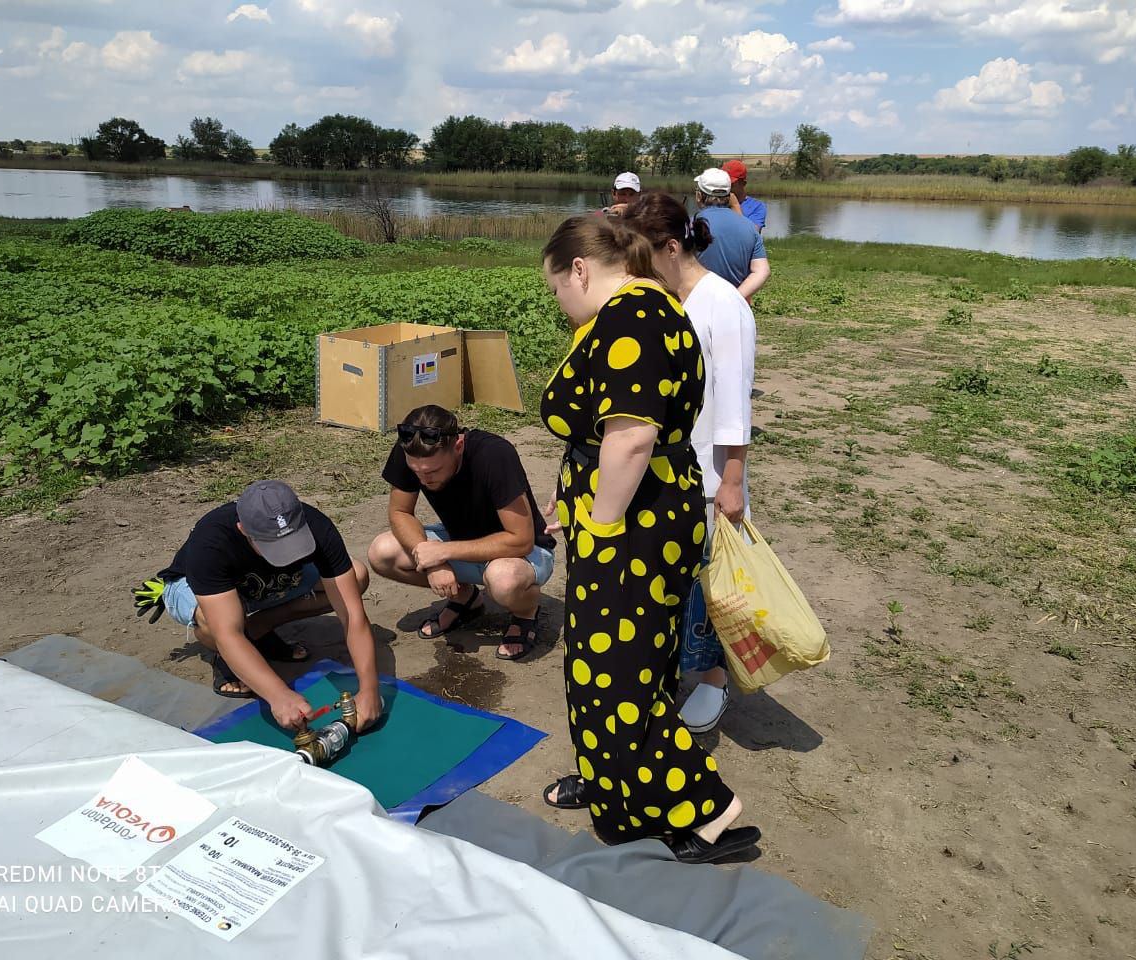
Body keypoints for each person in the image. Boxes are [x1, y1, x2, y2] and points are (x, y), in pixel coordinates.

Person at [538, 214, 759, 864]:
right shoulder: (655, 309)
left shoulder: (632, 316)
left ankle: (708, 813)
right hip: (641, 518)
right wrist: (574, 497)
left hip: (633, 529)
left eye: (557, 289)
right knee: (619, 668)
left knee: (617, 678)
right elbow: (606, 434)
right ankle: (618, 788)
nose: (560, 303)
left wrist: (601, 527)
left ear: (579, 268)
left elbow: (632, 437)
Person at [622, 192, 756, 733]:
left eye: (640, 256)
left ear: (672, 247)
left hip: (707, 471)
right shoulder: (664, 300)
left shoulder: (723, 305)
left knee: (704, 581)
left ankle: (712, 679)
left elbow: (735, 401)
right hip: (665, 466)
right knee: (670, 578)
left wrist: (733, 480)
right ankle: (676, 666)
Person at [152, 480, 379, 731]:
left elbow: (352, 615)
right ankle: (231, 658)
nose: (289, 553)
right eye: (274, 546)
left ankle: (262, 625)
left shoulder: (317, 525)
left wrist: (369, 689)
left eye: (294, 541)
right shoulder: (211, 542)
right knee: (212, 623)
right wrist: (279, 696)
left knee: (355, 577)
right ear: (243, 530)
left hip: (266, 584)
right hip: (197, 589)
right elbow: (227, 634)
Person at [367, 405, 555, 661]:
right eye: (416, 472)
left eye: (432, 472)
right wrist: (433, 563)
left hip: (523, 552)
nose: (423, 480)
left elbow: (520, 540)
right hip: (460, 540)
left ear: (458, 446)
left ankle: (525, 612)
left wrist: (442, 552)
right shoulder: (411, 451)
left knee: (503, 580)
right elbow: (400, 512)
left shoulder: (495, 454)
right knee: (382, 553)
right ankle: (465, 598)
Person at [693, 167, 770, 304]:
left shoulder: (692, 226)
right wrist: (735, 298)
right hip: (738, 309)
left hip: (698, 304)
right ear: (729, 196)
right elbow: (762, 271)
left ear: (699, 196)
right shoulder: (749, 228)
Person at [721, 160, 767, 232]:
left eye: (731, 184)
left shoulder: (757, 207)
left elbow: (753, 234)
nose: (726, 188)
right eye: (723, 184)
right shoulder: (717, 203)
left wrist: (735, 205)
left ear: (743, 183)